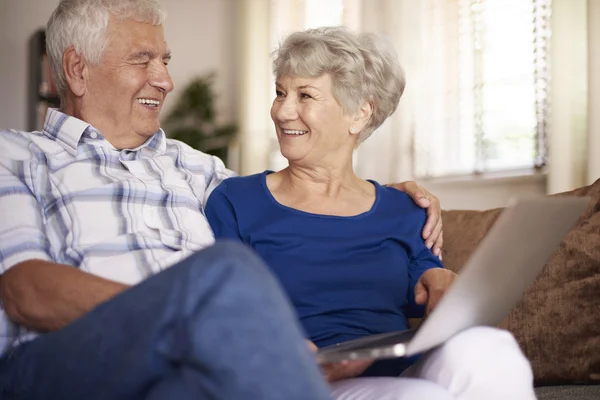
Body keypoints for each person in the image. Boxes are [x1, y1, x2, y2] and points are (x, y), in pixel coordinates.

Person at [0, 1, 443, 399]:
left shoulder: (195, 168)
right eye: (143, 60)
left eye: (166, 60)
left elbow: (297, 205)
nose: (166, 80)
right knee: (228, 272)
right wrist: (198, 317)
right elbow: (25, 290)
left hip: (191, 364)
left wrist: (389, 200)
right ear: (78, 69)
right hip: (62, 359)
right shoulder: (16, 155)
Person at [205, 27, 537, 400]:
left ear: (360, 114)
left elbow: (426, 283)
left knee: (493, 351)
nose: (282, 110)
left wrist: (442, 282)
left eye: (305, 95)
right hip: (302, 382)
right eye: (280, 92)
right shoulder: (235, 200)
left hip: (401, 369)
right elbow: (219, 306)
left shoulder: (405, 209)